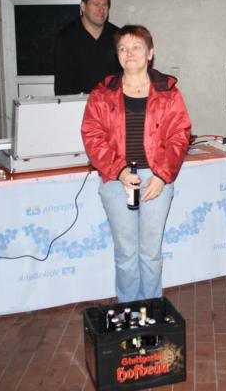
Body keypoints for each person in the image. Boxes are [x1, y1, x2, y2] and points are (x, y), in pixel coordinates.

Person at [81, 25, 191, 302]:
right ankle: (128, 310)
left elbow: (180, 135)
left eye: (136, 47)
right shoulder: (102, 93)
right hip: (117, 180)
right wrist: (118, 171)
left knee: (150, 253)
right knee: (126, 253)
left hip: (156, 179)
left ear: (150, 53)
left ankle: (151, 309)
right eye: (122, 48)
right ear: (117, 55)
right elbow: (92, 136)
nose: (129, 53)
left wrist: (162, 175)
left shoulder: (168, 92)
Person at [53, 0, 122, 95]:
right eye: (96, 4)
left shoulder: (119, 36)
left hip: (112, 102)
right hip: (79, 102)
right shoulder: (67, 37)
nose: (101, 10)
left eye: (105, 5)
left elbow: (127, 75)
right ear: (83, 6)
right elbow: (62, 83)